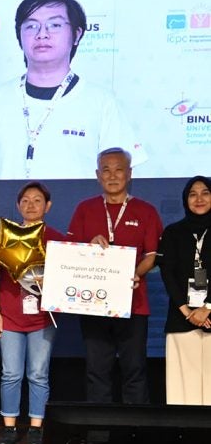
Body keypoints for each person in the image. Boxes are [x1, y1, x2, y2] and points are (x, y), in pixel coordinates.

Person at [0, 0, 146, 180]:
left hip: (76, 211)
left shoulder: (101, 103)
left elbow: (120, 180)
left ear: (76, 34)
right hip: (5, 211)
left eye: (54, 25)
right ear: (19, 36)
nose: (42, 34)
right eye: (31, 26)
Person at [68, 147, 162, 403]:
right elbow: (71, 253)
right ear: (98, 175)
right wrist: (88, 247)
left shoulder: (146, 211)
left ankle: (136, 429)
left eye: (119, 169)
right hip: (94, 304)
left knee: (135, 370)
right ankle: (99, 431)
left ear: (129, 174)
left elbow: (151, 256)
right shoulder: (85, 209)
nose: (112, 175)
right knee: (97, 371)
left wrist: (133, 274)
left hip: (134, 302)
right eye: (106, 170)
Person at [0, 182, 66, 444]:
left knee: (38, 374)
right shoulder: (5, 236)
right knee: (10, 373)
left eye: (37, 200)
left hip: (43, 319)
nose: (31, 205)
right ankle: (9, 430)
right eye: (25, 201)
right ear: (18, 205)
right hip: (9, 317)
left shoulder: (56, 239)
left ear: (48, 206)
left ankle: (35, 430)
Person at [158, 176, 211, 403]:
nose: (199, 198)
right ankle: (186, 437)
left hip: (209, 314)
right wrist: (188, 311)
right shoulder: (173, 232)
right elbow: (167, 273)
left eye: (205, 193)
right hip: (181, 318)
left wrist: (207, 307)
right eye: (192, 194)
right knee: (182, 389)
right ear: (185, 199)